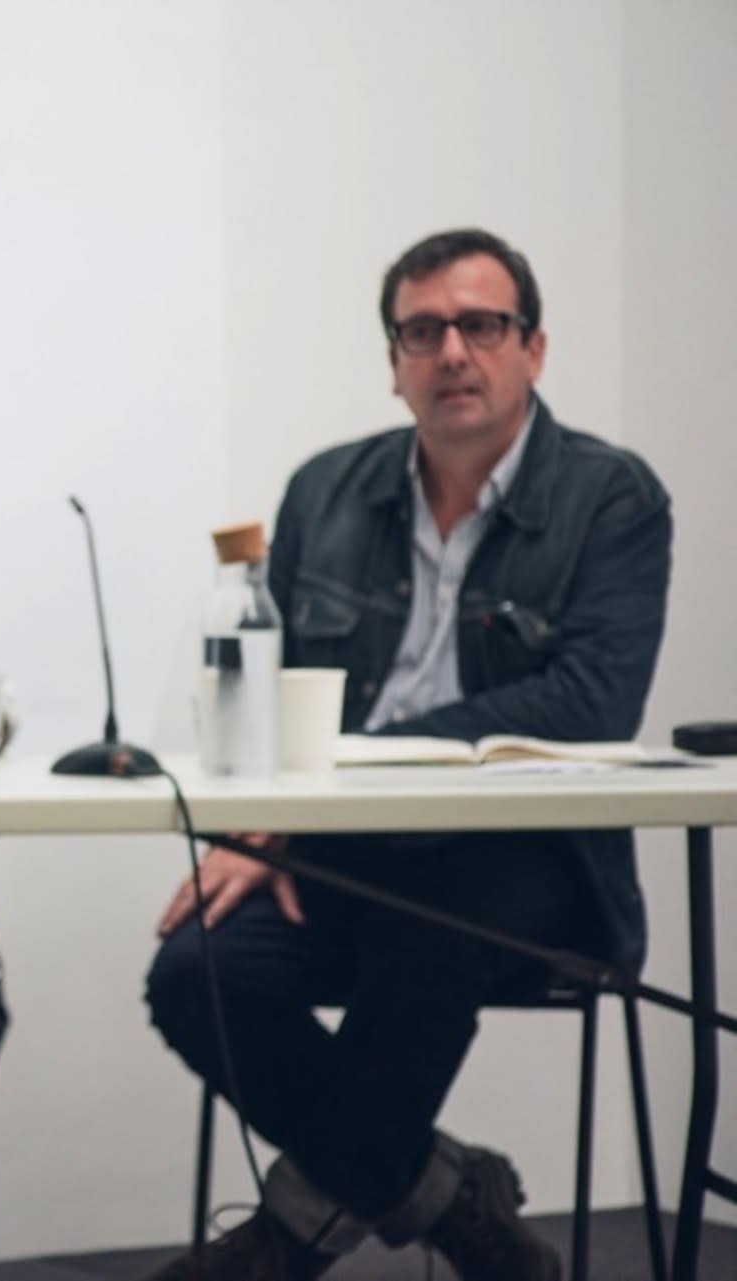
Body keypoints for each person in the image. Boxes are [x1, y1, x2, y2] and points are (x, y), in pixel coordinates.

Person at [141, 228, 672, 1281]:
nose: (453, 353)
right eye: (422, 331)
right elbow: (271, 699)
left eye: (482, 325)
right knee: (195, 969)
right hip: (345, 846)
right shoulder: (325, 492)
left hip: (530, 863)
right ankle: (447, 1194)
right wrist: (277, 816)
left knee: (431, 932)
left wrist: (340, 776)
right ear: (394, 362)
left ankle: (284, 1242)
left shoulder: (613, 497)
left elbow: (590, 703)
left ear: (534, 349)